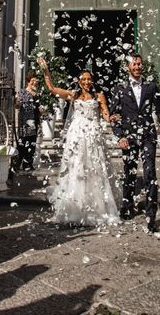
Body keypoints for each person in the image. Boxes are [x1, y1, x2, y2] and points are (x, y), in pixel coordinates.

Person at [38, 58, 120, 227]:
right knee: (76, 168)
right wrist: (46, 71)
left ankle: (96, 209)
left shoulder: (99, 96)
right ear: (79, 81)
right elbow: (52, 89)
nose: (87, 82)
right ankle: (75, 208)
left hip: (93, 136)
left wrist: (110, 117)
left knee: (95, 169)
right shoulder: (73, 95)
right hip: (76, 136)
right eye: (84, 79)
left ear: (92, 81)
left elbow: (105, 114)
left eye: (89, 79)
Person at [109, 53, 160, 234]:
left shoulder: (151, 87)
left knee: (150, 172)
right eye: (134, 64)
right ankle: (127, 208)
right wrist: (120, 136)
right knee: (129, 172)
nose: (137, 67)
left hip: (147, 135)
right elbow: (113, 116)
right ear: (128, 67)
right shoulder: (119, 89)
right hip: (128, 136)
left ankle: (151, 216)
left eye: (139, 64)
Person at [13, 72, 41, 172]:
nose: (34, 82)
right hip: (25, 121)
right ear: (28, 82)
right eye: (32, 81)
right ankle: (16, 164)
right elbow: (16, 106)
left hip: (34, 121)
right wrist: (16, 102)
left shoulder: (38, 94)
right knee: (22, 143)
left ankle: (28, 164)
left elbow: (39, 109)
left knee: (32, 143)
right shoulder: (22, 93)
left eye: (36, 81)